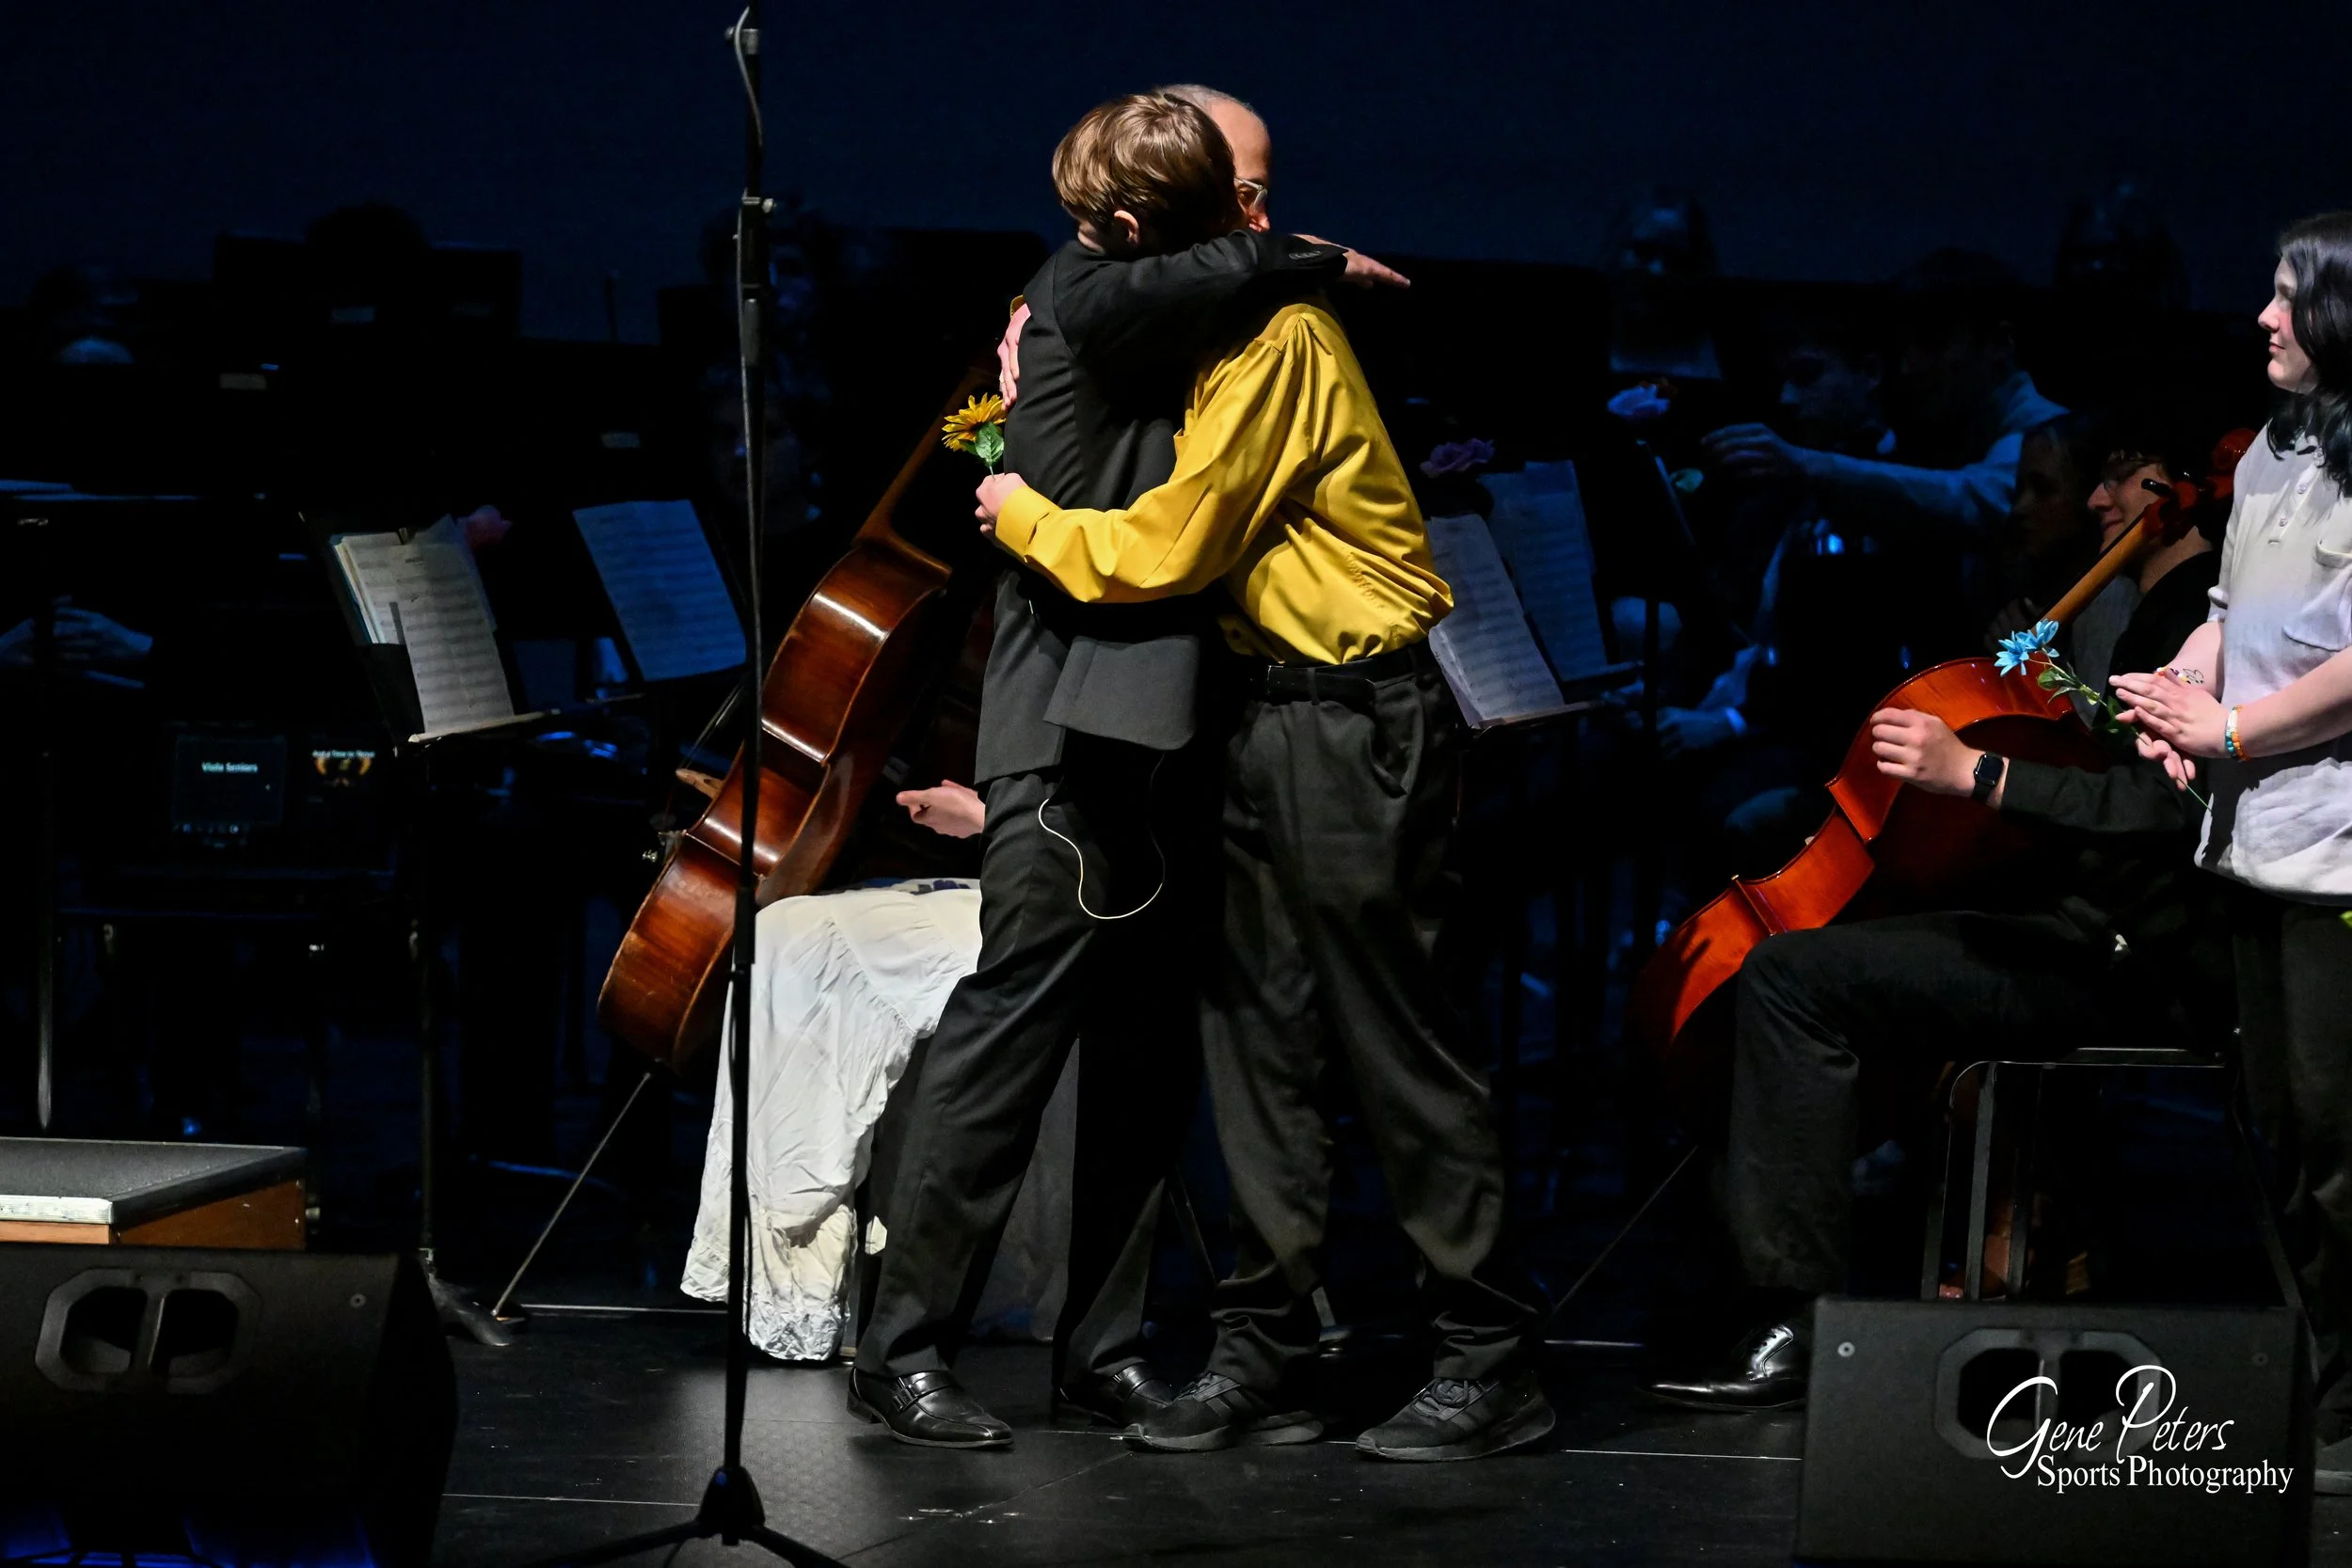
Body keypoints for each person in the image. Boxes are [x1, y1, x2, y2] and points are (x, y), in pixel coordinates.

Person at [975, 97, 1552, 1464]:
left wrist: (1020, 511)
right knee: (1258, 1043)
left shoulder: (1281, 337)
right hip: (1263, 715)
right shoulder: (1211, 325)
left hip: (1353, 721)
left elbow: (1171, 544)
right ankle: (1267, 1354)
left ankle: (1487, 1357)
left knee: (1395, 1042)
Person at [849, 87, 1400, 1450]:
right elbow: (1193, 285)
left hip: (1172, 735)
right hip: (1073, 731)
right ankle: (899, 1345)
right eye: (1234, 196)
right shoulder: (1085, 297)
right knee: (1010, 1038)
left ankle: (1102, 1349)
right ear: (1160, 216)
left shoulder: (1176, 300)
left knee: (1147, 1059)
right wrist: (1317, 258)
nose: (1252, 218)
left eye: (1256, 193)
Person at [1645, 419, 2225, 1412]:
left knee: (1791, 978)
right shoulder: (2147, 609)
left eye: (2124, 477)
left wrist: (1982, 772)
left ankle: (1796, 1314)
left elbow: (2165, 808)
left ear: (2180, 488)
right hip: (2079, 927)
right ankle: (1779, 1273)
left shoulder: (2198, 616)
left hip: (2131, 957)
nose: (2100, 499)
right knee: (1817, 956)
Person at [2112, 212, 2352, 1485]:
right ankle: (2323, 1362)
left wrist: (2237, 727)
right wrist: (2185, 687)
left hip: (2339, 859)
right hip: (2256, 842)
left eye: (2288, 296)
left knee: (2340, 1132)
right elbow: (2228, 605)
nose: (2263, 316)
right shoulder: (2275, 444)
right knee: (2283, 1126)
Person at [1705, 250, 2068, 657]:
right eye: (1906, 349)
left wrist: (1807, 463)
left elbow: (1979, 499)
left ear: (2000, 343)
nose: (1911, 367)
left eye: (1932, 344)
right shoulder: (1953, 440)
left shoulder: (2054, 433)